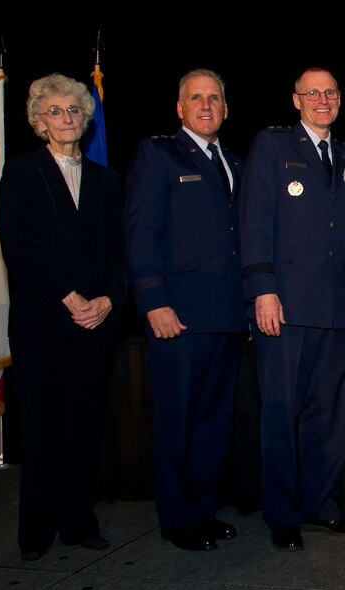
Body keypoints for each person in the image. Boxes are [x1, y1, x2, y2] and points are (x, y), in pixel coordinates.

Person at [239, 67, 345, 552]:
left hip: (336, 308)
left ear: (340, 100)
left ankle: (321, 507)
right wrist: (262, 290)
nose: (323, 99)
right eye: (313, 92)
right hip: (286, 306)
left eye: (331, 92)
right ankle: (283, 516)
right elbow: (254, 219)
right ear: (296, 99)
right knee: (281, 413)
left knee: (329, 416)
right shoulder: (273, 146)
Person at [0, 73, 126, 561]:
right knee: (43, 427)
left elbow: (119, 251)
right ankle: (37, 527)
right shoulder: (22, 173)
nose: (66, 118)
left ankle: (78, 520)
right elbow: (19, 247)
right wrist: (68, 297)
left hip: (95, 325)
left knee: (84, 426)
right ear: (37, 121)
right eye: (55, 111)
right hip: (43, 324)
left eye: (73, 111)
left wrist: (109, 300)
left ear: (85, 119)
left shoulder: (106, 180)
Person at [125, 68, 247, 551]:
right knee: (177, 423)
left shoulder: (234, 162)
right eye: (196, 98)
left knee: (213, 424)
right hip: (177, 317)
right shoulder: (157, 154)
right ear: (180, 109)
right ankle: (177, 520)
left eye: (214, 98)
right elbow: (140, 233)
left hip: (226, 317)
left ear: (225, 107)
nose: (206, 106)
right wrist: (154, 301)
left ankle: (203, 510)